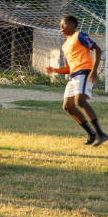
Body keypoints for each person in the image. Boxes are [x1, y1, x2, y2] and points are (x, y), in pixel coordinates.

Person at [45, 15, 107, 146]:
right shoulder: (64, 45)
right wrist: (55, 70)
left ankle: (101, 134)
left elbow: (96, 49)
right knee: (68, 106)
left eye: (64, 24)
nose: (61, 27)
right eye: (60, 25)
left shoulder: (79, 35)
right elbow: (68, 68)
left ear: (72, 25)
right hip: (73, 76)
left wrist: (94, 70)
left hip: (84, 73)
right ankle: (92, 134)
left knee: (80, 101)